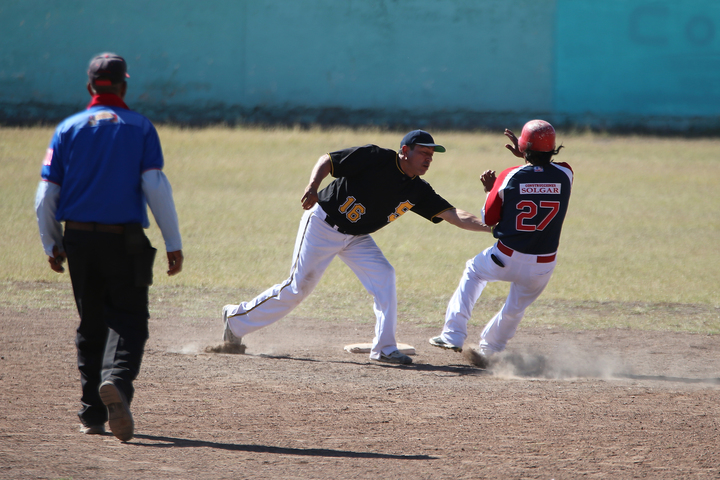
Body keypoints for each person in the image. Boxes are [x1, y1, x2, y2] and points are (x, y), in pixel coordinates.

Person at [222, 130, 490, 364]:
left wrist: (492, 228)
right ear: (405, 151)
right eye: (424, 152)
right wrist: (313, 185)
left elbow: (454, 215)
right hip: (323, 224)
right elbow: (327, 160)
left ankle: (385, 349)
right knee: (297, 287)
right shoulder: (375, 157)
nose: (429, 159)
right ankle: (235, 319)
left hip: (356, 238)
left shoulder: (418, 190)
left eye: (432, 154)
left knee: (385, 275)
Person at [34, 53, 184, 441]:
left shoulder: (67, 128)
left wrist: (52, 242)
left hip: (78, 239)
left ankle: (91, 414)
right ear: (124, 86)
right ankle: (116, 381)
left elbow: (46, 194)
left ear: (89, 87)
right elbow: (154, 186)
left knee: (91, 324)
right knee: (129, 319)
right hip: (125, 240)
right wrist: (173, 242)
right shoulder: (139, 127)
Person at [429, 120, 573, 368]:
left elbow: (488, 219)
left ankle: (453, 334)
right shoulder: (566, 173)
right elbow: (544, 171)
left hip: (505, 257)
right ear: (553, 148)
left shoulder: (509, 175)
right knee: (515, 308)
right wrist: (528, 156)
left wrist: (490, 189)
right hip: (543, 265)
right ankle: (491, 349)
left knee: (474, 271)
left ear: (523, 148)